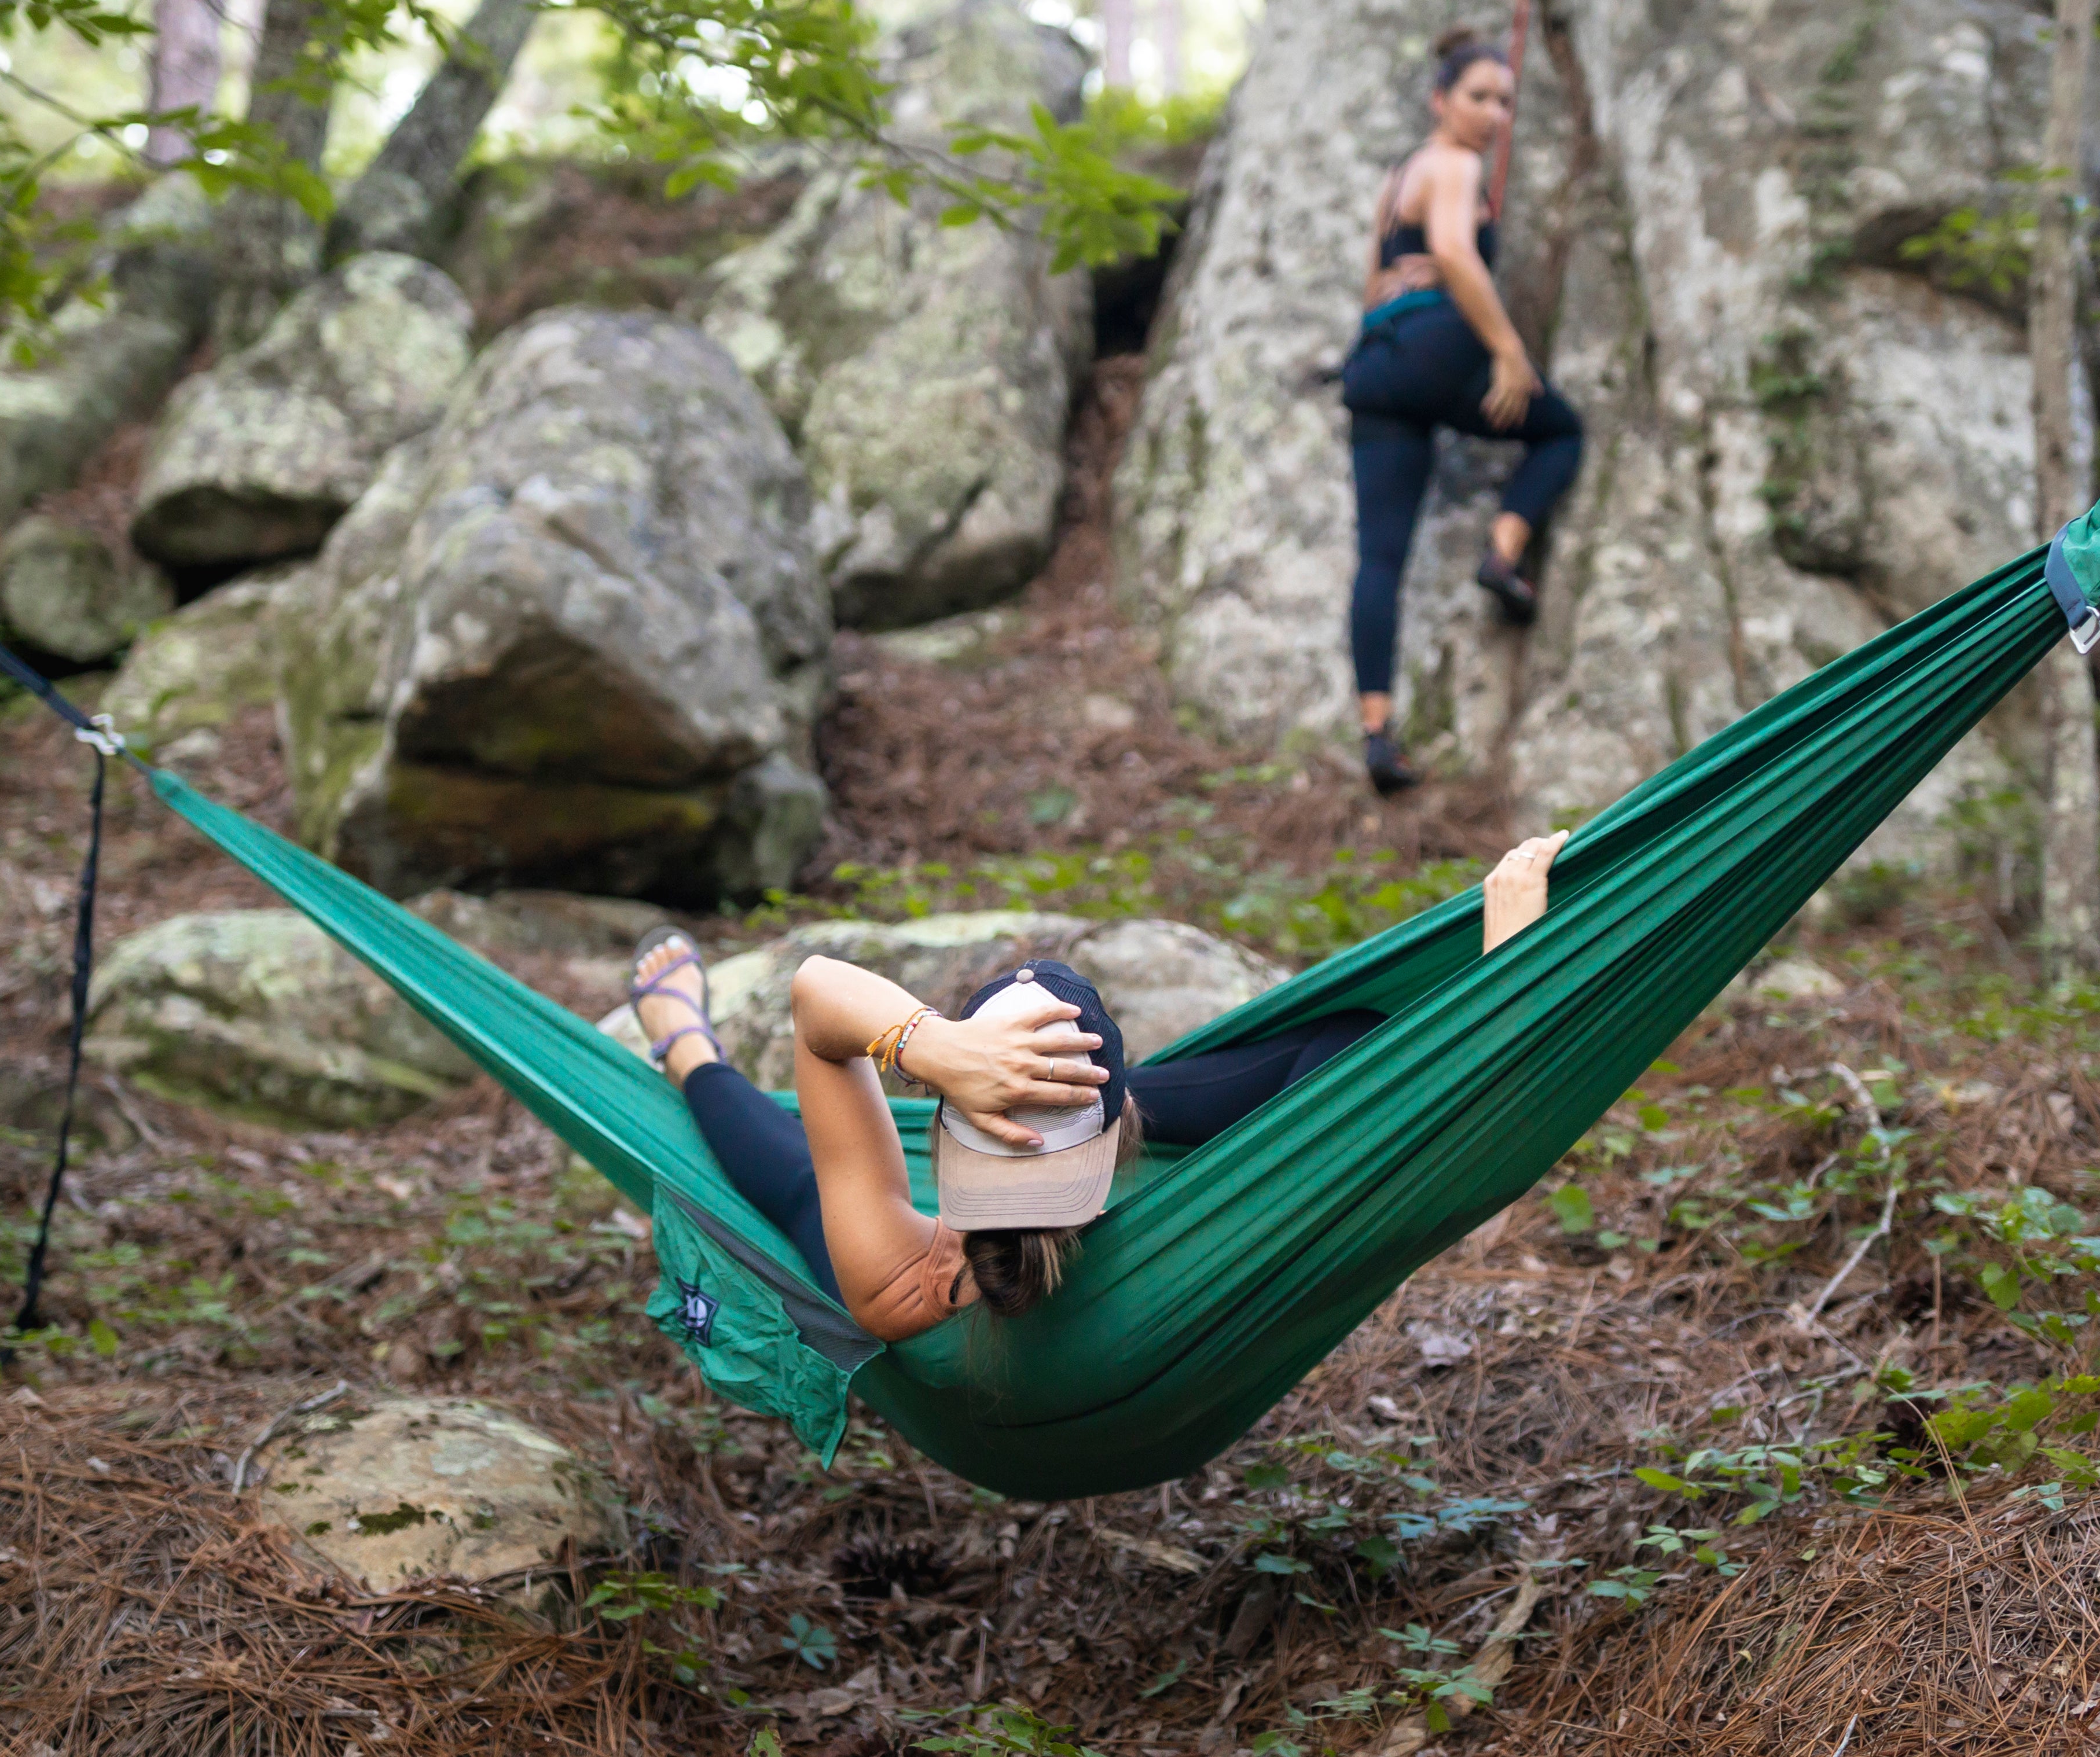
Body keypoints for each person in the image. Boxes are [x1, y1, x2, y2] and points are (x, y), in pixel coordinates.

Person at [628, 831, 1571, 1340]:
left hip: (917, 1246)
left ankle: (684, 1044)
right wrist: (1508, 977)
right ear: (1125, 1128)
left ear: (944, 1138)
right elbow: (1436, 1143)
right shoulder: (1206, 1248)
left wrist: (930, 1047)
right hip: (1114, 1166)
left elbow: (814, 1001)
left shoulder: (905, 1286)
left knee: (798, 1182)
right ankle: (690, 1045)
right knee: (1338, 1050)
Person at [1339, 28, 1585, 796]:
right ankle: (1502, 555)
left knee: (1380, 554)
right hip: (1440, 350)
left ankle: (1377, 732)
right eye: (1479, 97)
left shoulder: (1397, 179)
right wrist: (1508, 350)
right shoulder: (1453, 163)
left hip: (1377, 367)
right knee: (1560, 429)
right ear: (1439, 100)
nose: (1493, 114)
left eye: (1505, 102)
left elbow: (1377, 282)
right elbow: (1452, 251)